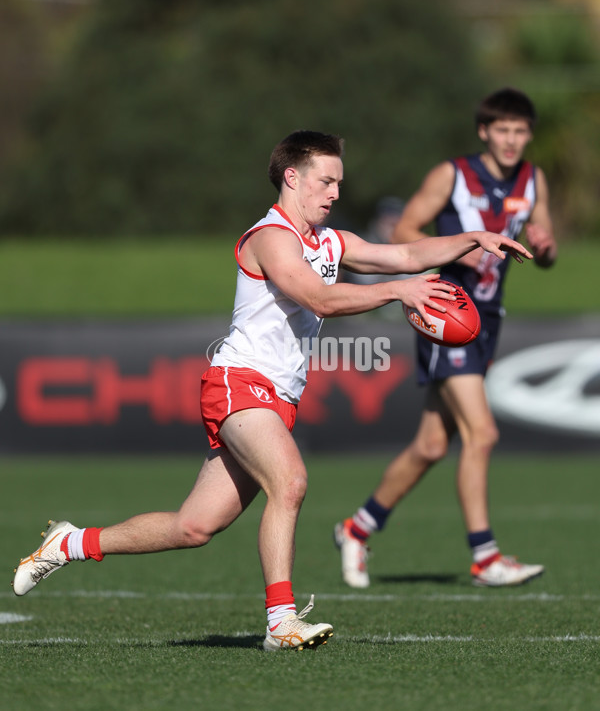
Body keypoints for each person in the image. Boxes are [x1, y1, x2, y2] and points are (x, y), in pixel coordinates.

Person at [12, 130, 533, 651]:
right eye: (326, 181)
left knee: (194, 527)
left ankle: (72, 543)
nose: (334, 193)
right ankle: (281, 623)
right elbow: (319, 298)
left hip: (273, 398)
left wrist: (471, 240)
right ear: (292, 177)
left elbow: (404, 253)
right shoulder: (272, 236)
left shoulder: (331, 241)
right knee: (291, 482)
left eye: (338, 183)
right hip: (239, 384)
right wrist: (399, 292)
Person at [335, 87, 557, 589]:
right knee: (484, 433)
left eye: (520, 131)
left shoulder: (533, 179)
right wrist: (456, 253)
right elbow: (402, 231)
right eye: (502, 130)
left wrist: (545, 246)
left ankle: (356, 529)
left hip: (489, 319)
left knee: (433, 445)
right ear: (484, 131)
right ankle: (485, 559)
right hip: (444, 313)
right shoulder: (452, 175)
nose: (511, 140)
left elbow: (544, 245)